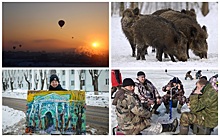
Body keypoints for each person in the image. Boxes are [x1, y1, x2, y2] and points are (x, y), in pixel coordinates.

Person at [113, 78, 178, 135]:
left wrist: (146, 104)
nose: (132, 88)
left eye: (133, 86)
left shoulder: (120, 93)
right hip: (129, 126)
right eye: (130, 86)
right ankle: (171, 127)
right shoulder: (128, 97)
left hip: (123, 122)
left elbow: (131, 107)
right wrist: (149, 114)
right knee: (149, 124)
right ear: (125, 86)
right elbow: (139, 111)